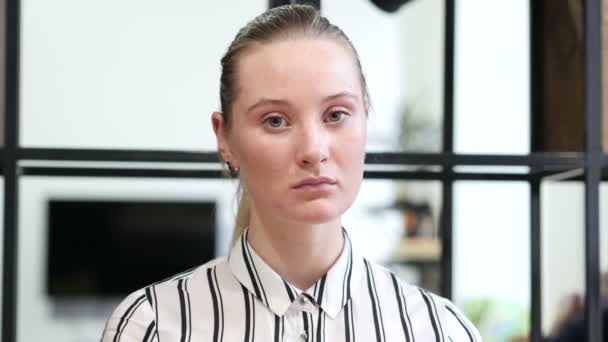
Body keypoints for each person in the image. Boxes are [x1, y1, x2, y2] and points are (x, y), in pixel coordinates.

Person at [101, 4, 482, 341]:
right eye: (276, 120)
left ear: (365, 118)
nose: (313, 150)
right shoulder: (151, 326)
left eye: (336, 115)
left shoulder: (438, 329)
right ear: (225, 138)